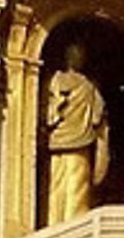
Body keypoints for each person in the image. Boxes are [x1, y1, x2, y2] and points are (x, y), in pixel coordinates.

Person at [45, 43, 109, 225]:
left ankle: (55, 224)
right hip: (79, 141)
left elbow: (49, 112)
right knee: (77, 188)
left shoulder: (55, 81)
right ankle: (73, 226)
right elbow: (97, 116)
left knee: (56, 187)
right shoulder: (89, 86)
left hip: (58, 140)